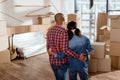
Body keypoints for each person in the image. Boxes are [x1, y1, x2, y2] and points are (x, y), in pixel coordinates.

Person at [46, 13, 85, 80]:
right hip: (61, 63)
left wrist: (52, 53)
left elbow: (48, 47)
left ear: (55, 20)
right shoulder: (63, 32)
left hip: (52, 62)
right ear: (63, 19)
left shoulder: (50, 31)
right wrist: (78, 56)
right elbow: (65, 50)